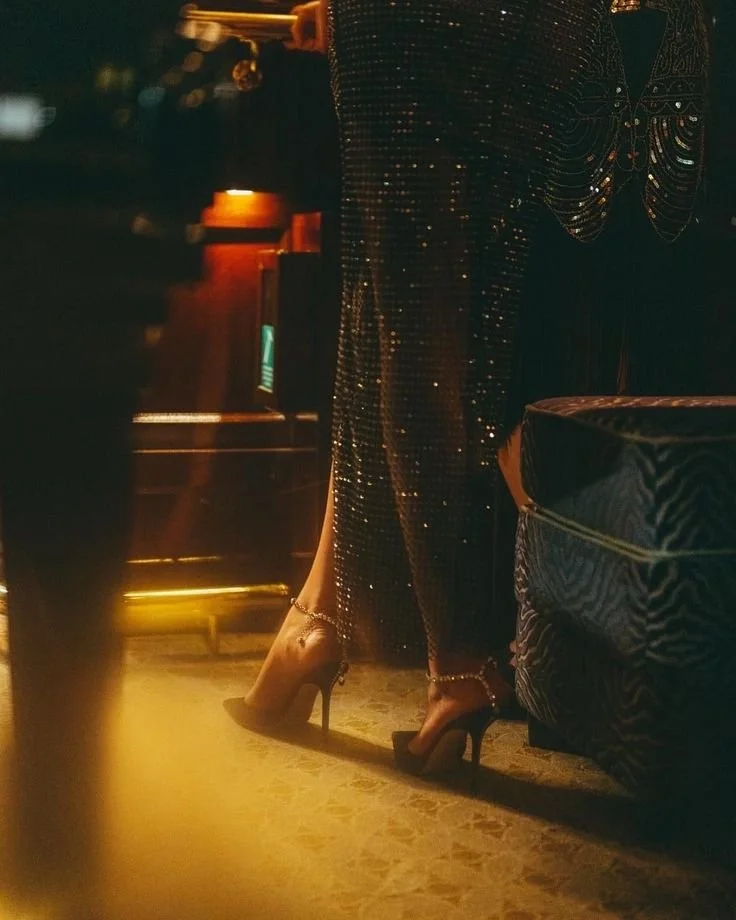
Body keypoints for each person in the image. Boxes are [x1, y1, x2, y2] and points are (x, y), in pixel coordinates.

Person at [225, 0, 728, 787]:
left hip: (421, 19)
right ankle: (317, 621)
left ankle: (458, 666)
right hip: (543, 24)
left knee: (412, 321)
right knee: (401, 303)